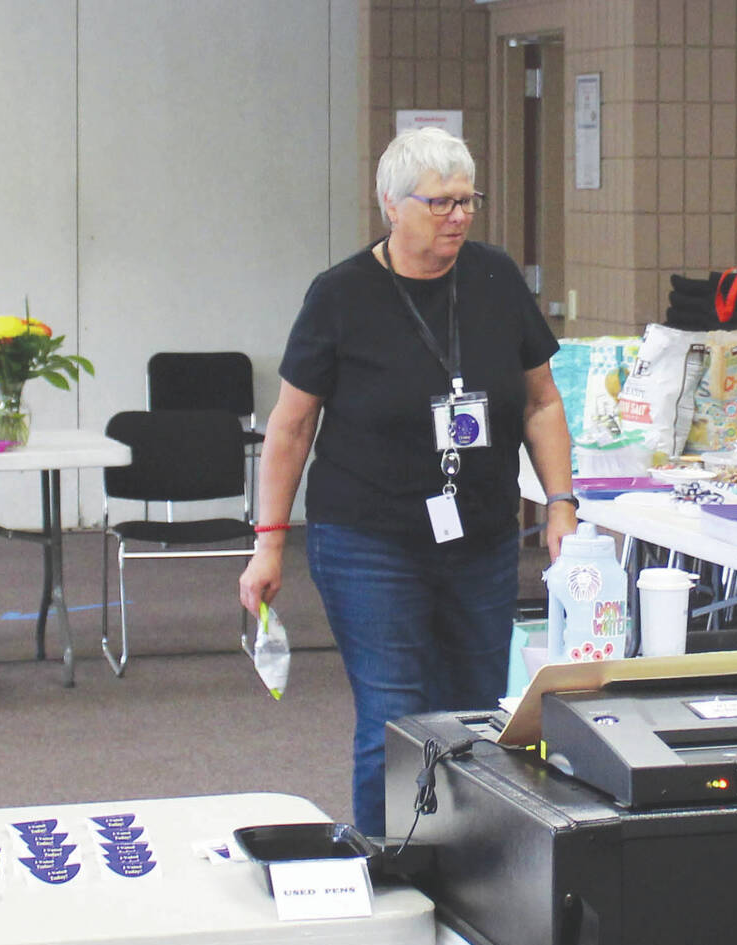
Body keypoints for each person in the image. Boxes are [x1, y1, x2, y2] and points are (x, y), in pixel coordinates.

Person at [238, 127, 577, 836]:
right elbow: (292, 426)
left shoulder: (494, 278)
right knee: (394, 711)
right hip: (368, 538)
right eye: (441, 203)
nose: (458, 217)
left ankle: (464, 868)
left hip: (480, 537)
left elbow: (542, 401)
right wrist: (268, 542)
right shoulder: (340, 296)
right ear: (392, 206)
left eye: (467, 201)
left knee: (474, 712)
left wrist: (560, 501)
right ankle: (383, 860)